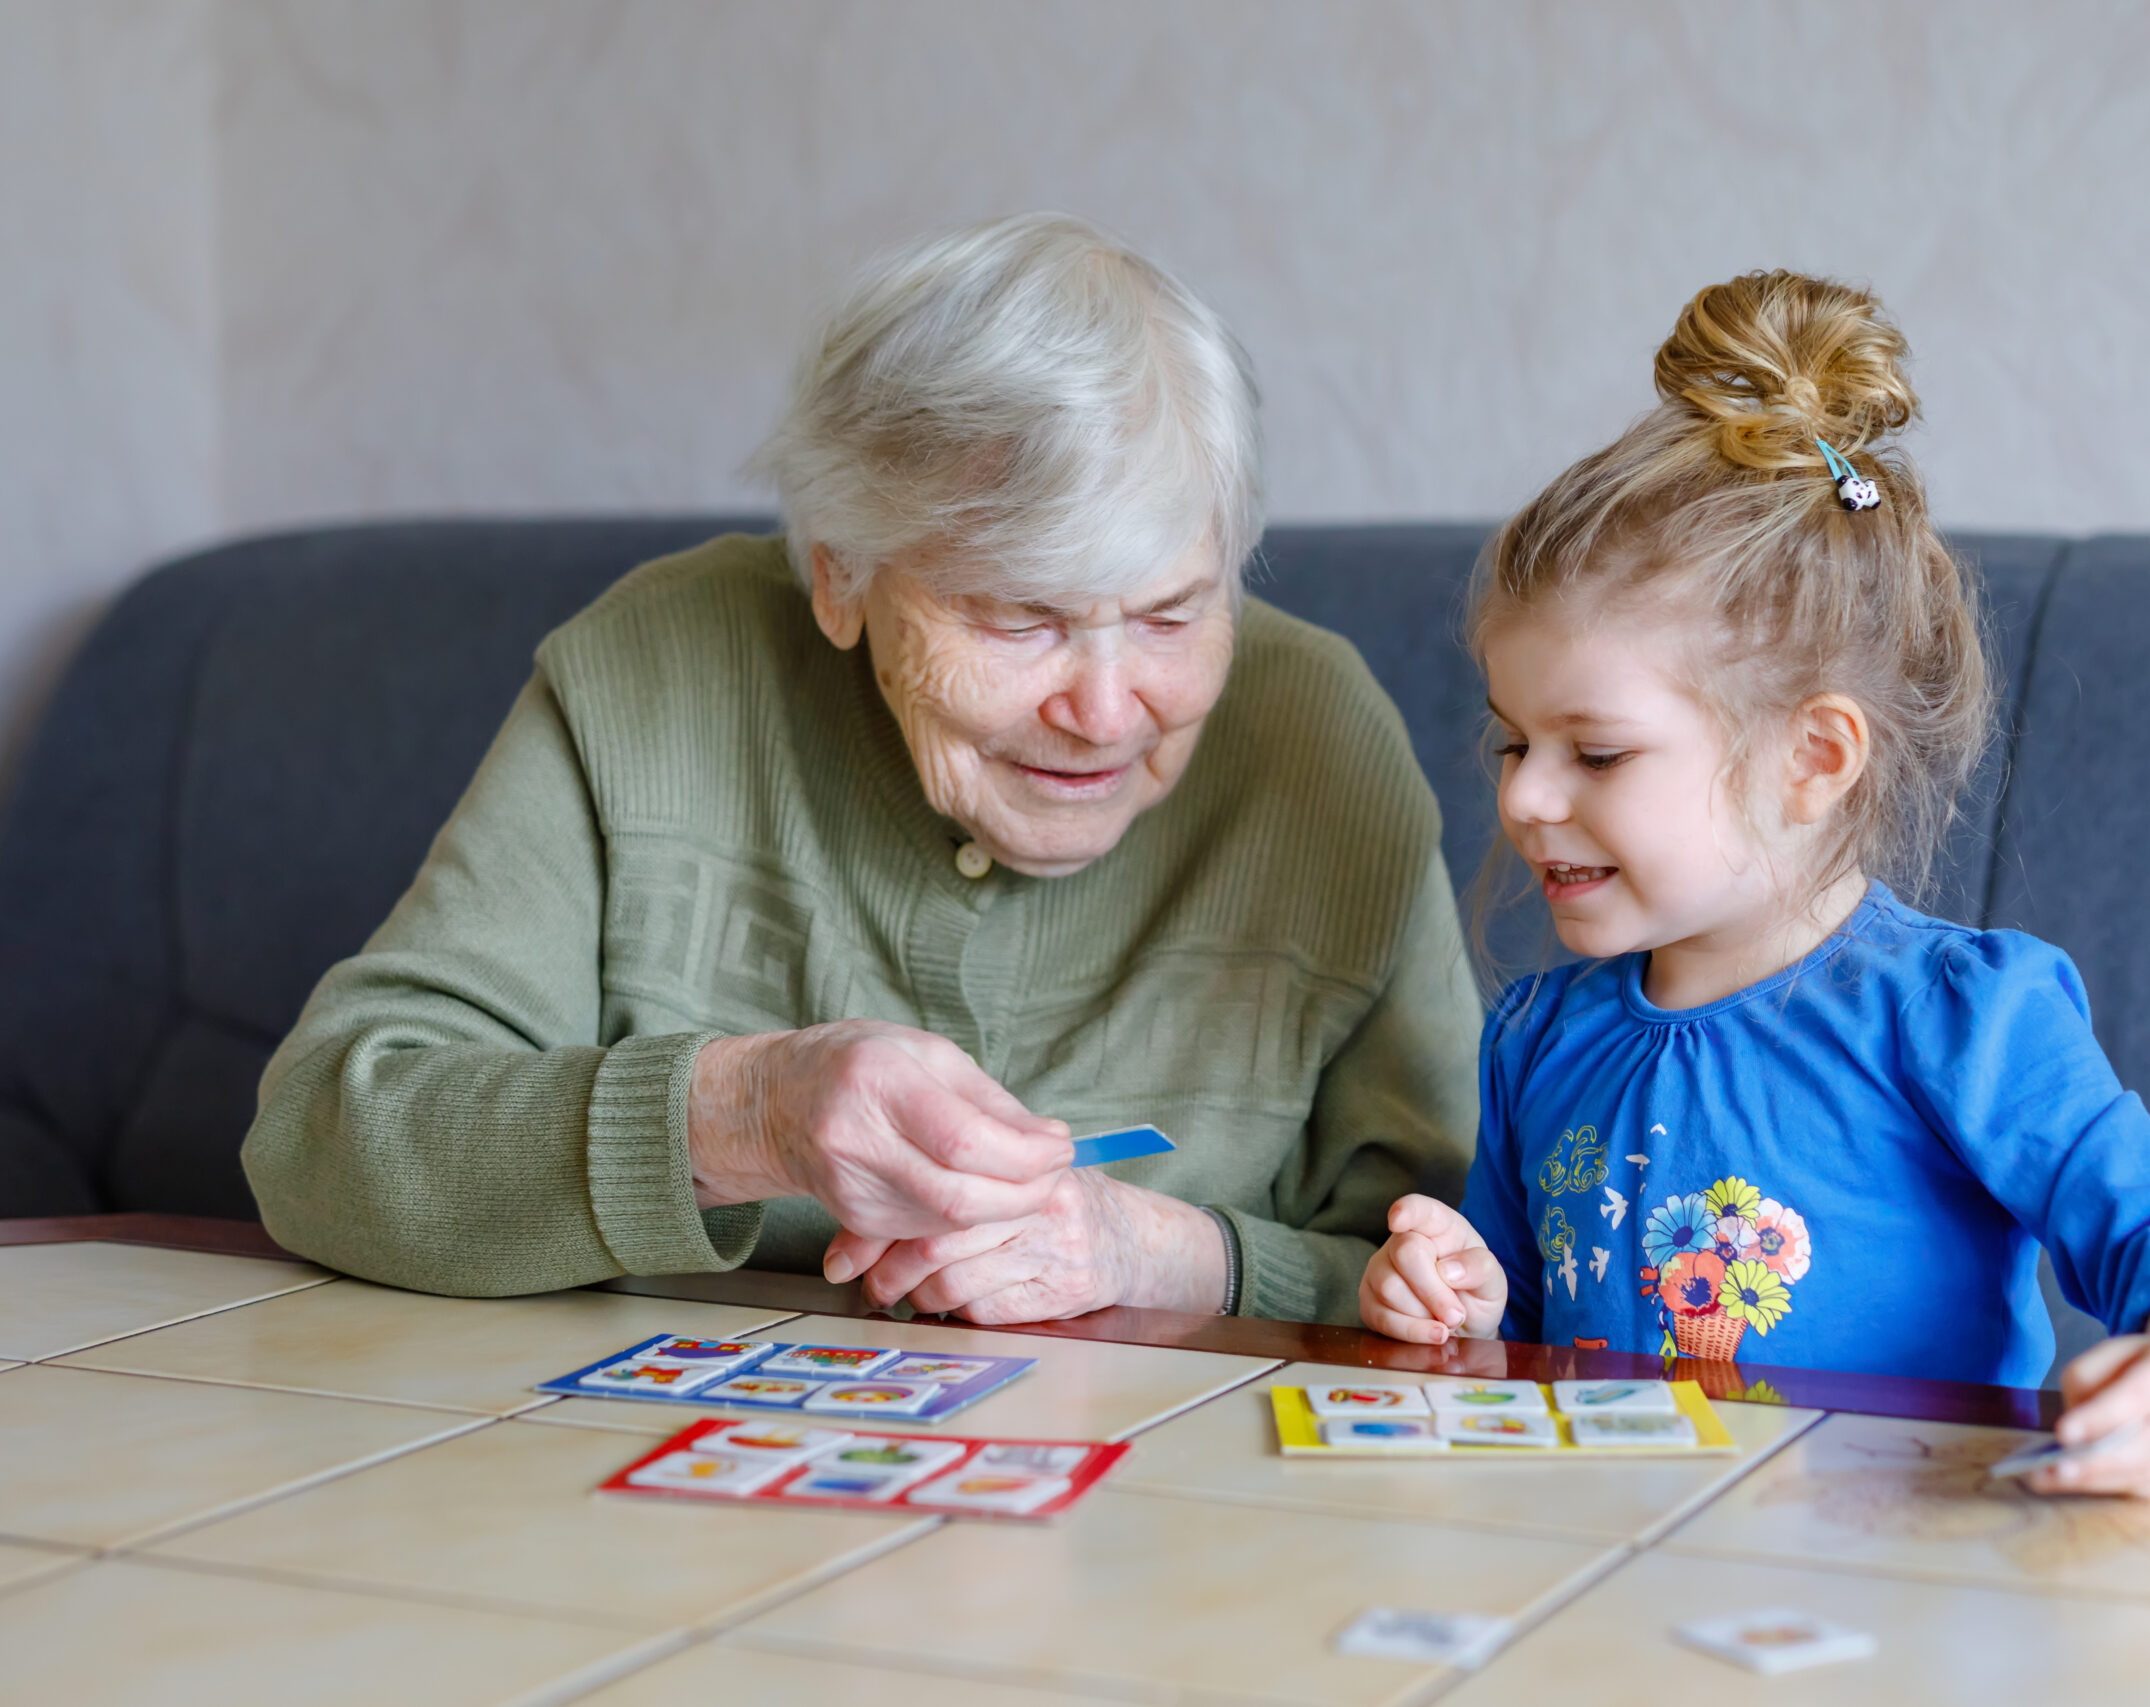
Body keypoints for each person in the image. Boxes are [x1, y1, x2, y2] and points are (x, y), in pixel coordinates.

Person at [245, 214, 1478, 1325]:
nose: (1105, 712)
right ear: (840, 572)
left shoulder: (1318, 739)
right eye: (1020, 619)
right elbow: (321, 1148)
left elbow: (1495, 1270)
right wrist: (744, 1114)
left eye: (1170, 615)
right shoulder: (657, 675)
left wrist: (1160, 1255)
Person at [1356, 271, 2150, 1498]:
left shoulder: (1960, 1019)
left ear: (1812, 760)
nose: (1525, 798)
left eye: (1594, 753)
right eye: (1511, 742)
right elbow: (1520, 1339)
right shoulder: (1537, 1041)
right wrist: (1453, 1298)